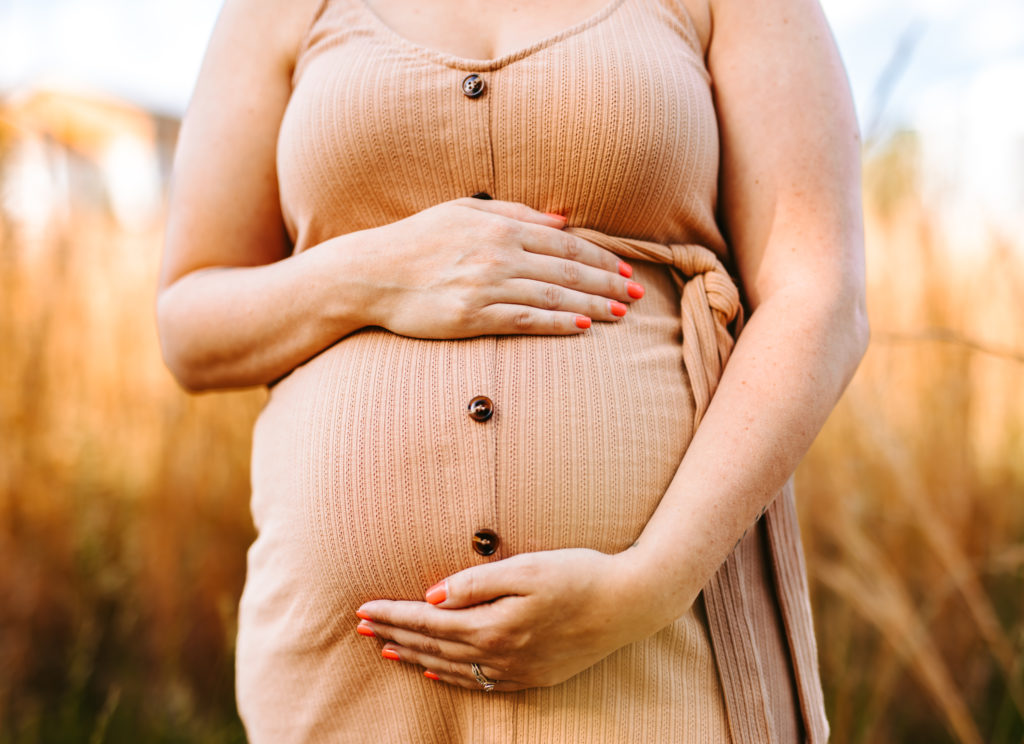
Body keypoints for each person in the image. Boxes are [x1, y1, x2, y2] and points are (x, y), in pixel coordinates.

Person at [156, 0, 867, 740]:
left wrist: (649, 585)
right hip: (345, 674)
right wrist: (371, 274)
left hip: (655, 649)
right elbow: (190, 325)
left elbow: (817, 294)